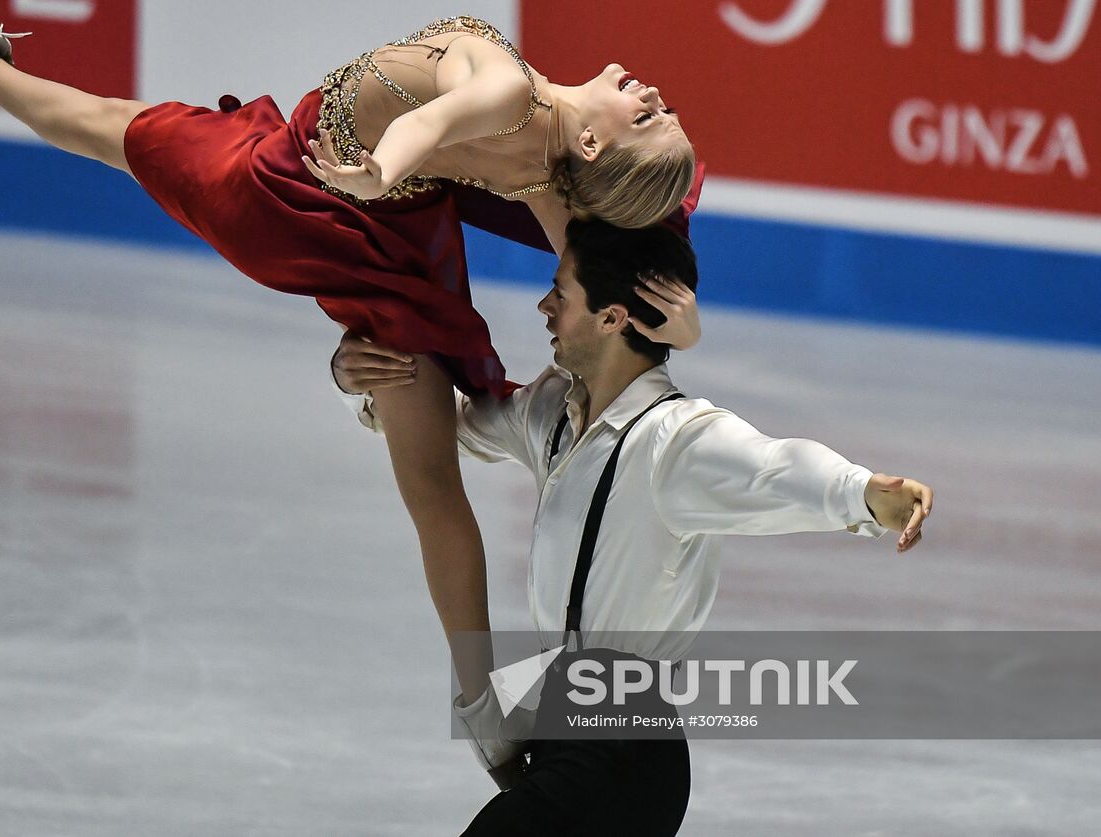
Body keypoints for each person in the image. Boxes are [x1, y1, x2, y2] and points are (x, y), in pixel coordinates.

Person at [0, 0, 702, 704]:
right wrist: (383, 174)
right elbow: (439, 119)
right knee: (121, 131)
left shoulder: (531, 132)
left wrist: (682, 325)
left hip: (308, 200)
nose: (658, 91)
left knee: (431, 480)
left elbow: (450, 138)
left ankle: (479, 702)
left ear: (595, 145)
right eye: (660, 109)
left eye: (647, 113)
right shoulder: (532, 121)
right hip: (327, 184)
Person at [330, 218, 932, 835]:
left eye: (560, 295)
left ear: (614, 318)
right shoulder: (551, 412)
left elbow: (774, 467)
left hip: (624, 755)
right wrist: (361, 382)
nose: (544, 307)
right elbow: (446, 427)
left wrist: (866, 494)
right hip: (565, 736)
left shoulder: (676, 440)